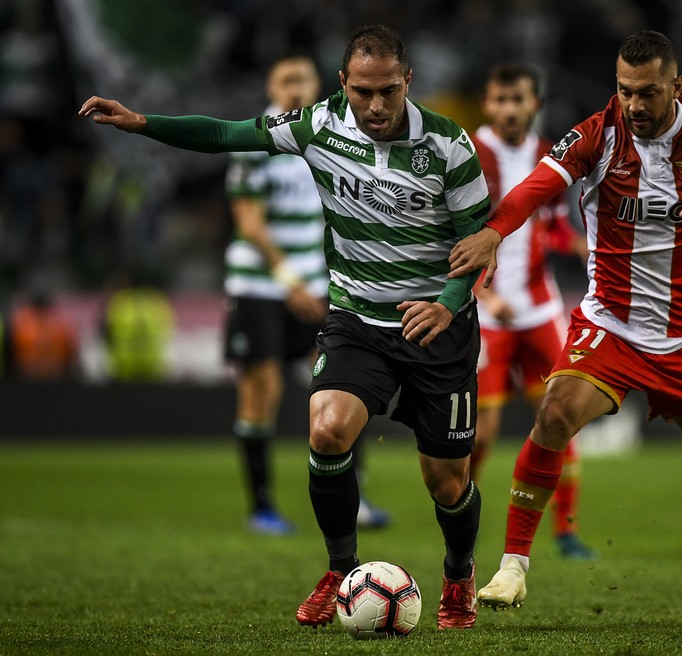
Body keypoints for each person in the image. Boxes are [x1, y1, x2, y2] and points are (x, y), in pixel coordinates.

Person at [80, 24, 490, 630]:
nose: (374, 107)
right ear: (343, 84)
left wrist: (448, 302)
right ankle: (339, 571)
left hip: (438, 328)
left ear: (408, 81)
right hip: (359, 320)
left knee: (447, 481)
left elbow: (478, 243)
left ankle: (458, 576)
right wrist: (145, 124)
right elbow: (225, 134)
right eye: (361, 92)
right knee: (326, 429)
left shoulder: (450, 145)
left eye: (387, 92)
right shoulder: (319, 125)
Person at [449, 30, 682, 626]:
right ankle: (513, 564)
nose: (634, 105)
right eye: (624, 91)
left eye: (648, 93)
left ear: (676, 87)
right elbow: (537, 185)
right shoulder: (599, 132)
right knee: (555, 413)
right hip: (611, 324)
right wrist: (494, 231)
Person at [222, 55, 389, 536]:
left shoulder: (329, 137)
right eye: (285, 80)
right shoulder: (258, 141)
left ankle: (353, 498)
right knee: (263, 388)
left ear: (318, 84)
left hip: (320, 285)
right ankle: (262, 506)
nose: (295, 88)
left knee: (346, 382)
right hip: (259, 284)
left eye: (302, 79)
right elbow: (248, 220)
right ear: (270, 85)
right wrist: (289, 278)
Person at [470, 63, 595, 560]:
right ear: (486, 104)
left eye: (517, 99)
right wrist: (484, 293)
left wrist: (583, 246)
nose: (509, 109)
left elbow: (552, 225)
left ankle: (565, 531)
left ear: (533, 104)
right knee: (481, 431)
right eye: (500, 100)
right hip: (488, 315)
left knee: (560, 417)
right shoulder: (470, 156)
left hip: (540, 312)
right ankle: (464, 517)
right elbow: (453, 236)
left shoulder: (549, 155)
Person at [8, 287, 78, 380]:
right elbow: (70, 353)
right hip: (53, 375)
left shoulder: (21, 325)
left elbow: (12, 353)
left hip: (31, 375)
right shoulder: (61, 325)